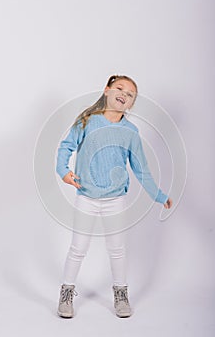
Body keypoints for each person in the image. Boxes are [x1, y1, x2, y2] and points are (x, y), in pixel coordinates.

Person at [56, 74, 173, 319]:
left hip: (115, 200)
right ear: (107, 90)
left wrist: (159, 195)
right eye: (120, 88)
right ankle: (66, 293)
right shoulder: (87, 121)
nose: (124, 94)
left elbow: (141, 168)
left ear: (131, 104)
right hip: (86, 197)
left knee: (117, 249)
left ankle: (120, 293)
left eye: (130, 95)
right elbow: (66, 146)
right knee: (78, 248)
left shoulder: (130, 131)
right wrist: (63, 171)